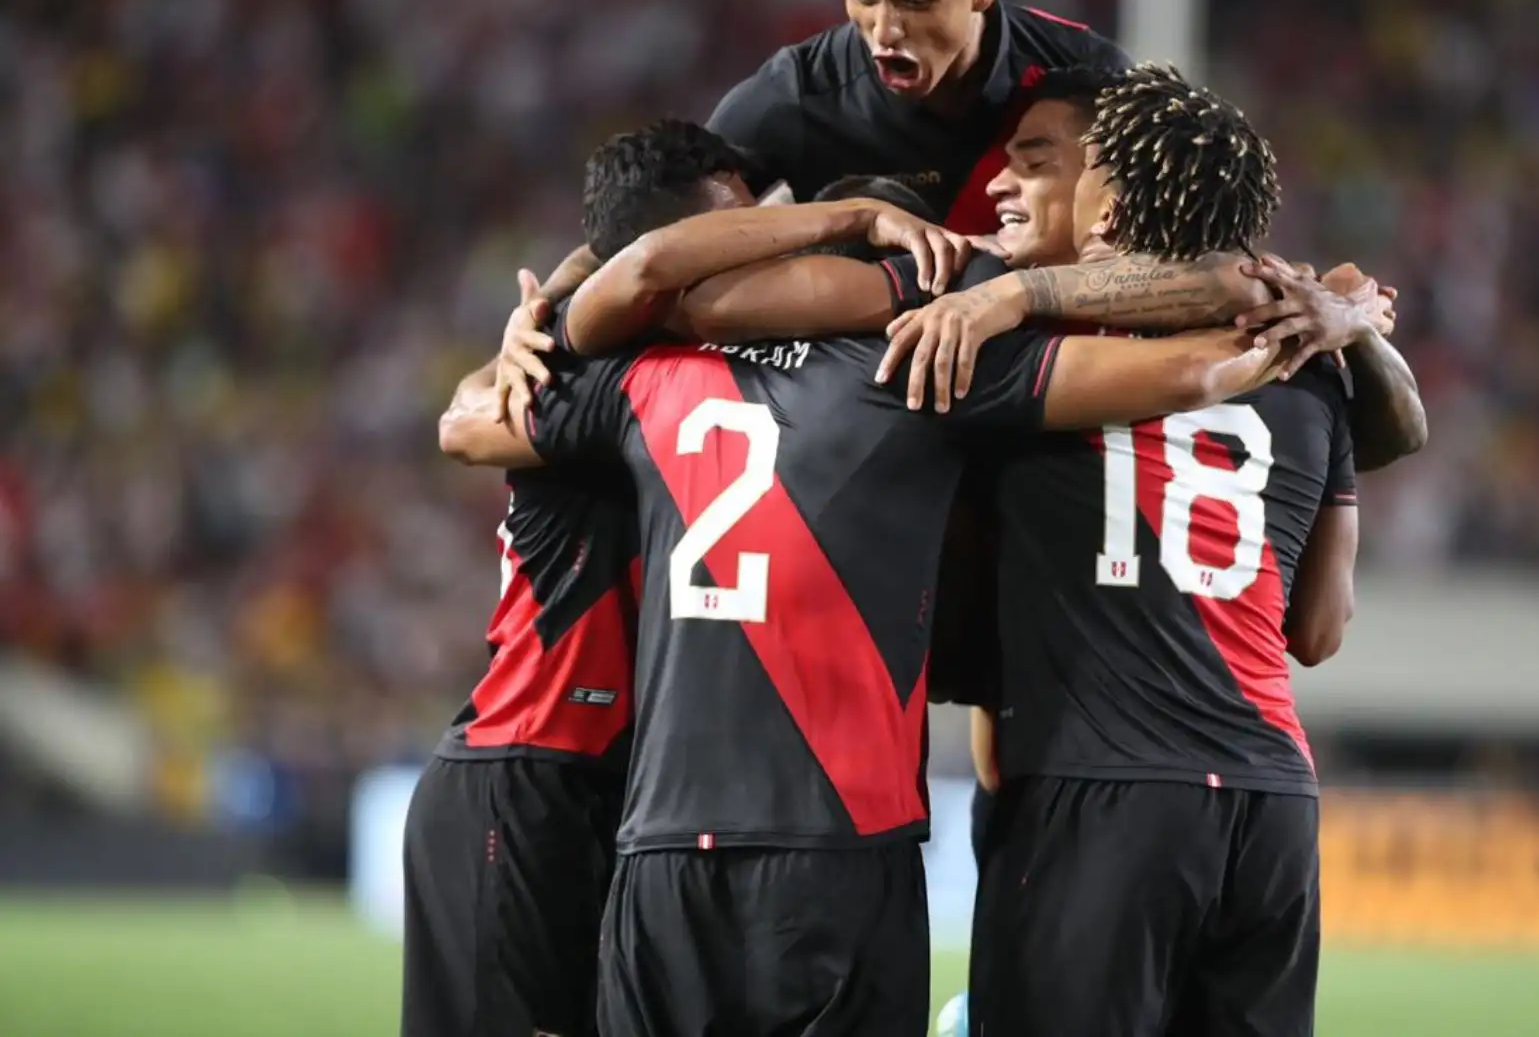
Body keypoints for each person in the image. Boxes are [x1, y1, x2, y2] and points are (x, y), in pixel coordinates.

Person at [438, 131, 1306, 1037]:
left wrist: (537, 318)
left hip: (663, 842)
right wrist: (1301, 335)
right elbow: (1189, 363)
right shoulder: (923, 374)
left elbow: (471, 420)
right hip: (845, 842)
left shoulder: (644, 375)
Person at [919, 63, 1419, 1037]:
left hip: (1100, 786)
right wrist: (1348, 317)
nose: (1012, 186)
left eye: (1055, 165)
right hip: (1271, 802)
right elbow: (1319, 630)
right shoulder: (1312, 368)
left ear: (1112, 205)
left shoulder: (1031, 341)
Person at [490, 0, 1130, 418]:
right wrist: (540, 313)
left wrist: (1015, 294)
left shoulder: (1087, 78)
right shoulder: (795, 98)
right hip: (875, 404)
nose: (885, 30)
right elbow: (651, 229)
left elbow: (1178, 252)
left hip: (1053, 377)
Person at [401, 122, 756, 1037]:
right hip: (524, 777)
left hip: (608, 787)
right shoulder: (591, 377)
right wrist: (543, 313)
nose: (750, 255)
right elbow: (464, 423)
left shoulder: (687, 369)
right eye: (726, 235)